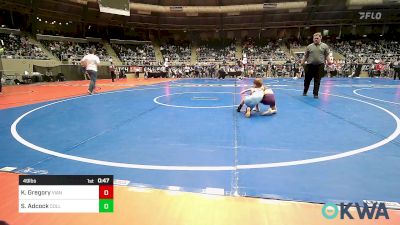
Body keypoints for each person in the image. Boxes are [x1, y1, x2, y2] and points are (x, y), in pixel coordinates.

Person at [301, 32, 332, 99]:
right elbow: (305, 56)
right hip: (309, 65)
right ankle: (305, 91)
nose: (315, 39)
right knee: (307, 80)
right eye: (314, 38)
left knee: (317, 80)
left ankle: (315, 94)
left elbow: (327, 55)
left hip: (320, 66)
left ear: (320, 38)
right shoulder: (309, 46)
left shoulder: (325, 46)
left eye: (317, 38)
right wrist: (302, 62)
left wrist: (329, 61)